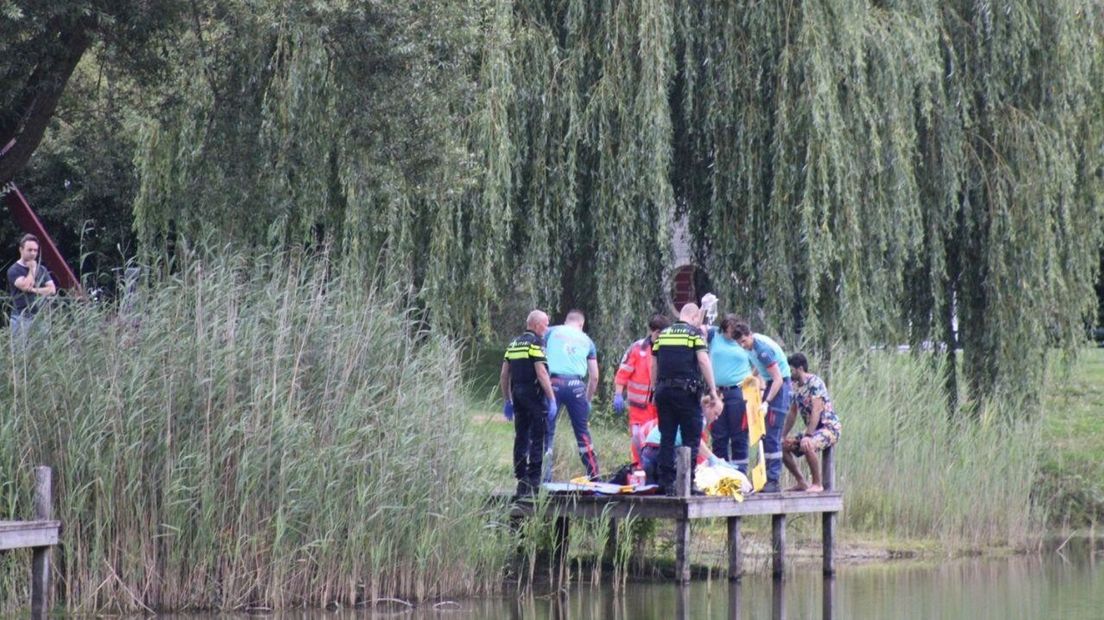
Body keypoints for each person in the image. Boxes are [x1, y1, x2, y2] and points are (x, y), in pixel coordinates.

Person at [649, 303, 720, 495]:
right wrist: (712, 389)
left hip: (664, 391)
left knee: (667, 436)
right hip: (686, 393)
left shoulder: (663, 335)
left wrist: (654, 390)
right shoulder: (694, 335)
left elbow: (653, 364)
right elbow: (703, 361)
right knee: (691, 437)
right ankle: (688, 482)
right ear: (695, 317)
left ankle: (666, 482)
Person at [500, 310, 558, 497]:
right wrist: (551, 399)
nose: (547, 328)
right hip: (534, 394)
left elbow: (504, 375)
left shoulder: (513, 344)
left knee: (521, 435)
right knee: (538, 435)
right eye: (546, 324)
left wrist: (507, 399)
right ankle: (534, 479)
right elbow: (541, 373)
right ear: (536, 324)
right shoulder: (536, 343)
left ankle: (520, 475)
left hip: (517, 393)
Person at [732, 321, 791, 494]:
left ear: (750, 334)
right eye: (740, 343)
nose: (743, 345)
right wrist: (751, 377)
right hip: (774, 385)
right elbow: (760, 367)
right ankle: (765, 478)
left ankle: (773, 480)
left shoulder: (762, 349)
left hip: (780, 387)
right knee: (764, 434)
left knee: (772, 434)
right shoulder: (750, 348)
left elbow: (778, 379)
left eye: (744, 341)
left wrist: (766, 402)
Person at [542, 310, 600, 481]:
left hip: (553, 385)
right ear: (581, 325)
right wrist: (587, 400)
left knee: (547, 432)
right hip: (577, 387)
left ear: (566, 321)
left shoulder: (550, 332)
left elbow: (540, 358)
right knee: (582, 433)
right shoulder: (588, 341)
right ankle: (595, 476)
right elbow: (594, 376)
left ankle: (545, 478)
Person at [613, 313, 671, 467]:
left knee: (656, 439)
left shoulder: (668, 348)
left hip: (658, 405)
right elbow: (623, 372)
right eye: (658, 333)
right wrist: (618, 394)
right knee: (637, 439)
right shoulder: (637, 348)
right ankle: (638, 467)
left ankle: (656, 469)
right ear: (654, 332)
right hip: (639, 407)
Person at [782, 353, 841, 492]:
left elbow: (816, 410)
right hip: (813, 430)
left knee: (808, 444)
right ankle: (801, 482)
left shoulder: (814, 382)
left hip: (829, 427)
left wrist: (808, 435)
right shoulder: (796, 387)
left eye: (791, 370)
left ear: (800, 368)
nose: (790, 373)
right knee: (782, 446)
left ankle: (817, 484)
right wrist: (783, 435)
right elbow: (792, 413)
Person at [638, 394, 727, 485]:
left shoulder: (690, 410)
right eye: (715, 413)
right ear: (708, 406)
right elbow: (697, 443)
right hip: (661, 451)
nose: (716, 418)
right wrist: (713, 458)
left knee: (653, 488)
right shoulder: (697, 417)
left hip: (647, 451)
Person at [707, 314, 756, 473]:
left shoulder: (742, 341)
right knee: (719, 435)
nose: (732, 334)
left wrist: (751, 381)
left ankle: (740, 473)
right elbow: (698, 327)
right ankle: (720, 472)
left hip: (738, 391)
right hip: (718, 391)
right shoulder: (714, 335)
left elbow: (759, 364)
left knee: (739, 434)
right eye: (729, 330)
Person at [7, 234, 56, 341]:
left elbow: (52, 289)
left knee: (43, 353)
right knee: (22, 355)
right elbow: (26, 286)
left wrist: (34, 290)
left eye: (35, 250)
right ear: (21, 250)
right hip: (20, 318)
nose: (33, 253)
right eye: (29, 250)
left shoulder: (42, 269)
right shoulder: (14, 270)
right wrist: (32, 268)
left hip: (40, 317)